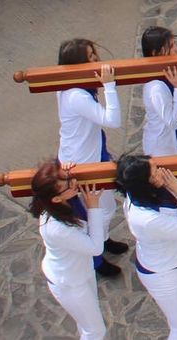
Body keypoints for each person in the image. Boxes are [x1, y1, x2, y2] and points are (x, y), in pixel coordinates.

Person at [55, 38, 126, 278]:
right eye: (91, 58)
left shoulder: (69, 86)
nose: (98, 61)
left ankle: (104, 240)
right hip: (85, 162)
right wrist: (110, 87)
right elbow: (112, 120)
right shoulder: (77, 95)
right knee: (94, 210)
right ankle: (96, 260)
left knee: (103, 206)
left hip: (92, 153)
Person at [119, 154, 177, 340]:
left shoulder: (139, 193)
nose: (162, 172)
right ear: (145, 183)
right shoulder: (147, 219)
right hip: (166, 274)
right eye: (155, 171)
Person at [29, 158, 110, 340]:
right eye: (67, 183)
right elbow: (96, 247)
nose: (73, 183)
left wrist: (66, 171)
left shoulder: (60, 204)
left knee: (86, 325)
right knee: (95, 331)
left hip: (80, 272)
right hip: (70, 283)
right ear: (57, 198)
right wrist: (93, 207)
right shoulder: (57, 228)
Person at [139, 28, 177, 159]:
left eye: (175, 44)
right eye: (171, 46)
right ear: (156, 53)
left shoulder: (167, 72)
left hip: (175, 142)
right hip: (162, 149)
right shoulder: (156, 88)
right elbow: (172, 122)